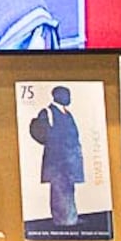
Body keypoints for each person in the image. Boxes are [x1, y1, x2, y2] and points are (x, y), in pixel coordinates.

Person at [30, 84, 85, 231]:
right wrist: (54, 144)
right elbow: (40, 133)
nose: (69, 98)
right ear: (57, 96)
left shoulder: (67, 113)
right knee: (59, 190)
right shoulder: (48, 112)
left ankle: (71, 218)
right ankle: (63, 221)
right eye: (66, 95)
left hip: (70, 160)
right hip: (57, 161)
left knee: (69, 189)